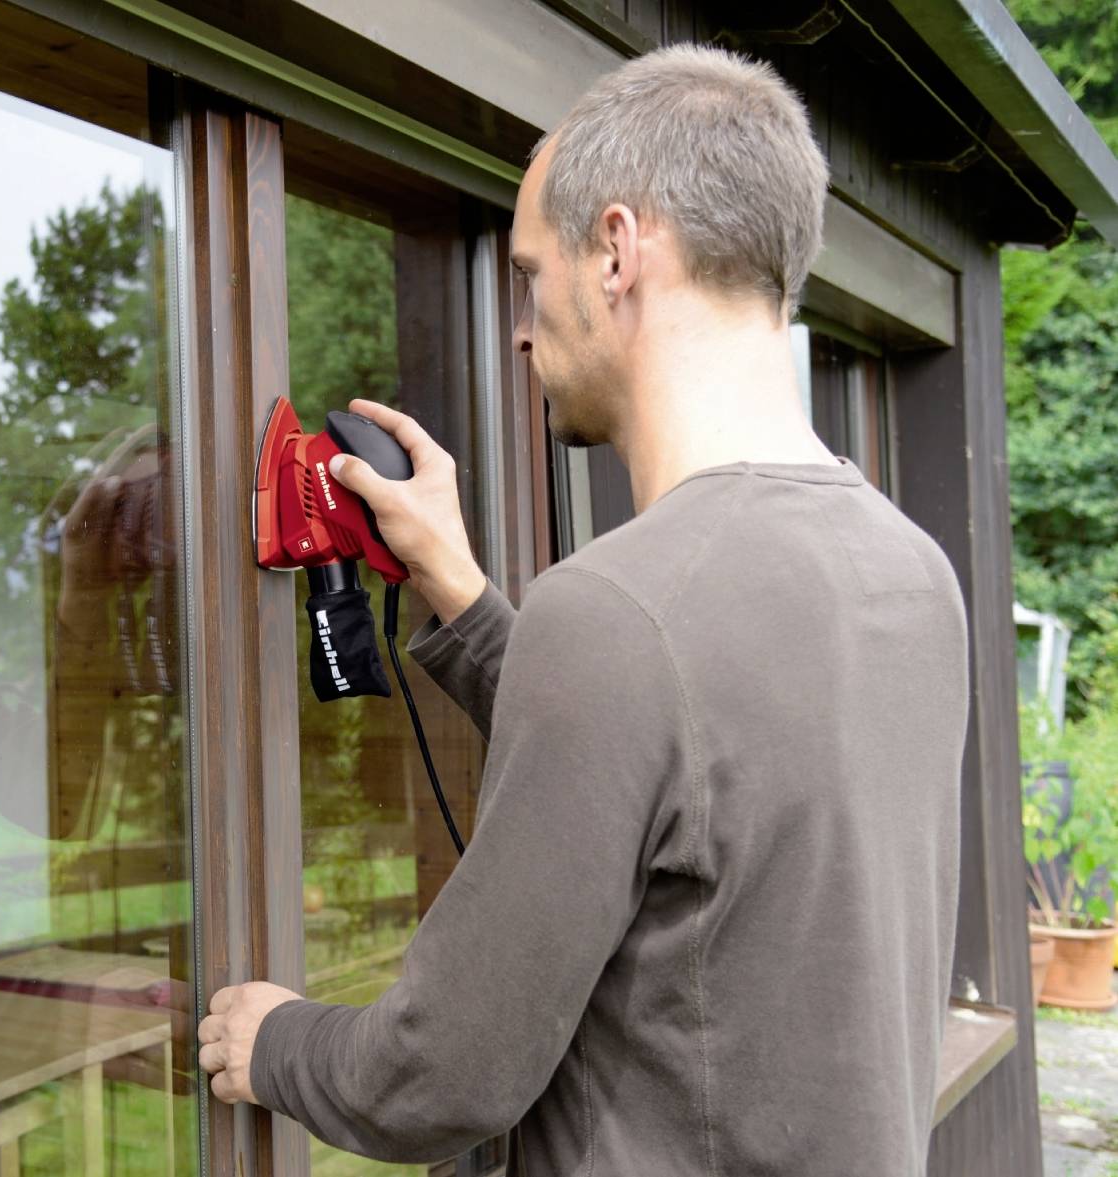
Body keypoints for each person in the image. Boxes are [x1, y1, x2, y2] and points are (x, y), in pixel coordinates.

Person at [198, 44, 966, 1175]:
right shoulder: (907, 571)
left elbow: (441, 1072)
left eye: (527, 271)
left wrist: (278, 1042)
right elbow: (685, 770)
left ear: (615, 251)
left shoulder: (618, 611)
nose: (518, 326)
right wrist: (457, 592)